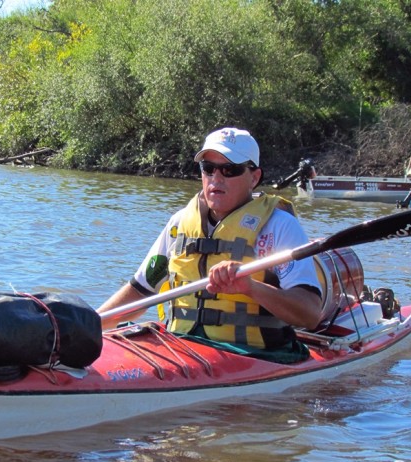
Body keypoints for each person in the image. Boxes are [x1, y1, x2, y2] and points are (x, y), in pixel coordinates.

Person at [97, 127, 323, 364]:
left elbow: (309, 314)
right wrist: (89, 323)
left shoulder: (278, 227)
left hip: (254, 355)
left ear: (254, 178)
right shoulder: (179, 224)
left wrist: (251, 287)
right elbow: (141, 291)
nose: (216, 178)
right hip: (179, 348)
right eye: (209, 168)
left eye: (230, 170)